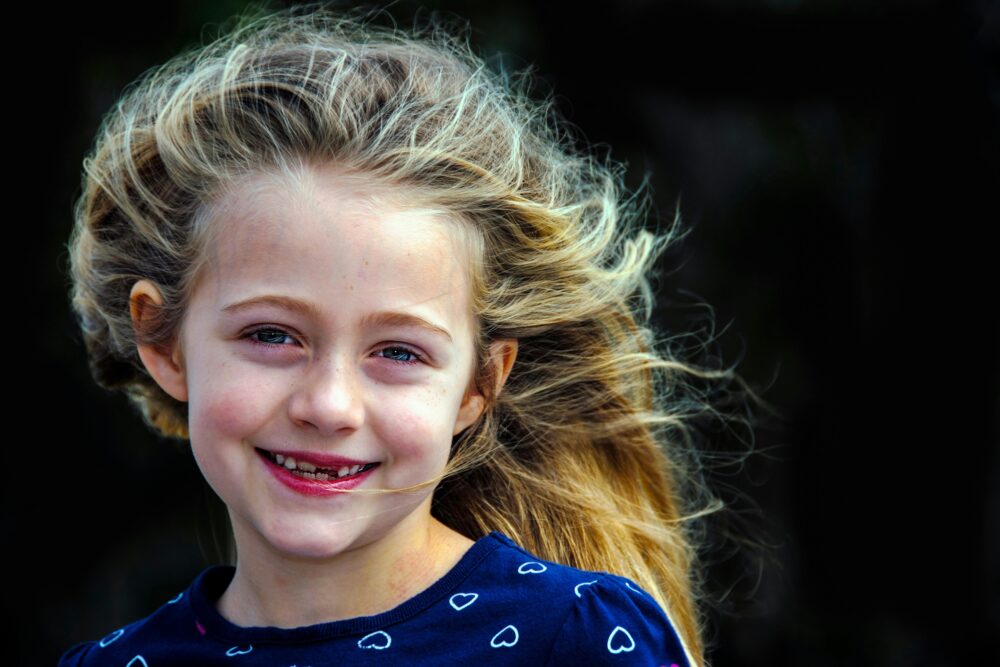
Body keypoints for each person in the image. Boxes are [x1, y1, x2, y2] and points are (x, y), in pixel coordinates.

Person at [60, 3, 748, 665]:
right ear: (165, 342)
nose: (329, 405)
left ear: (479, 383)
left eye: (398, 351)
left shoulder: (576, 640)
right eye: (272, 335)